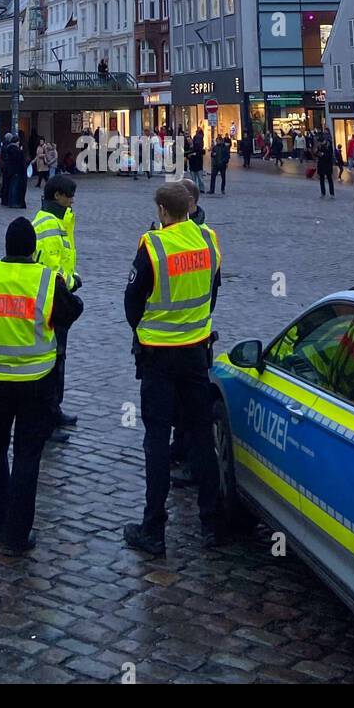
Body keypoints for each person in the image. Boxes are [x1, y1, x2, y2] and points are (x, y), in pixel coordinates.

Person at [0, 218, 84, 556]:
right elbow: (70, 312)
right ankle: (19, 533)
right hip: (37, 383)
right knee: (28, 455)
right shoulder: (47, 280)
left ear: (6, 247)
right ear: (33, 249)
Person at [123, 183, 222, 557]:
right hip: (197, 350)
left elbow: (132, 301)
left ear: (164, 211)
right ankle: (211, 523)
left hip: (158, 356)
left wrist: (145, 329)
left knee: (157, 440)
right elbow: (213, 292)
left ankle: (154, 528)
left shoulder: (153, 245)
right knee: (200, 436)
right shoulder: (208, 240)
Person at [32, 175, 81, 443]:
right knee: (51, 360)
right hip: (52, 300)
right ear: (57, 196)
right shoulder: (47, 224)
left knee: (59, 358)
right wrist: (72, 282)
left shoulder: (62, 219)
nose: (73, 200)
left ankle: (55, 409)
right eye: (69, 195)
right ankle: (46, 417)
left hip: (60, 298)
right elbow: (52, 270)